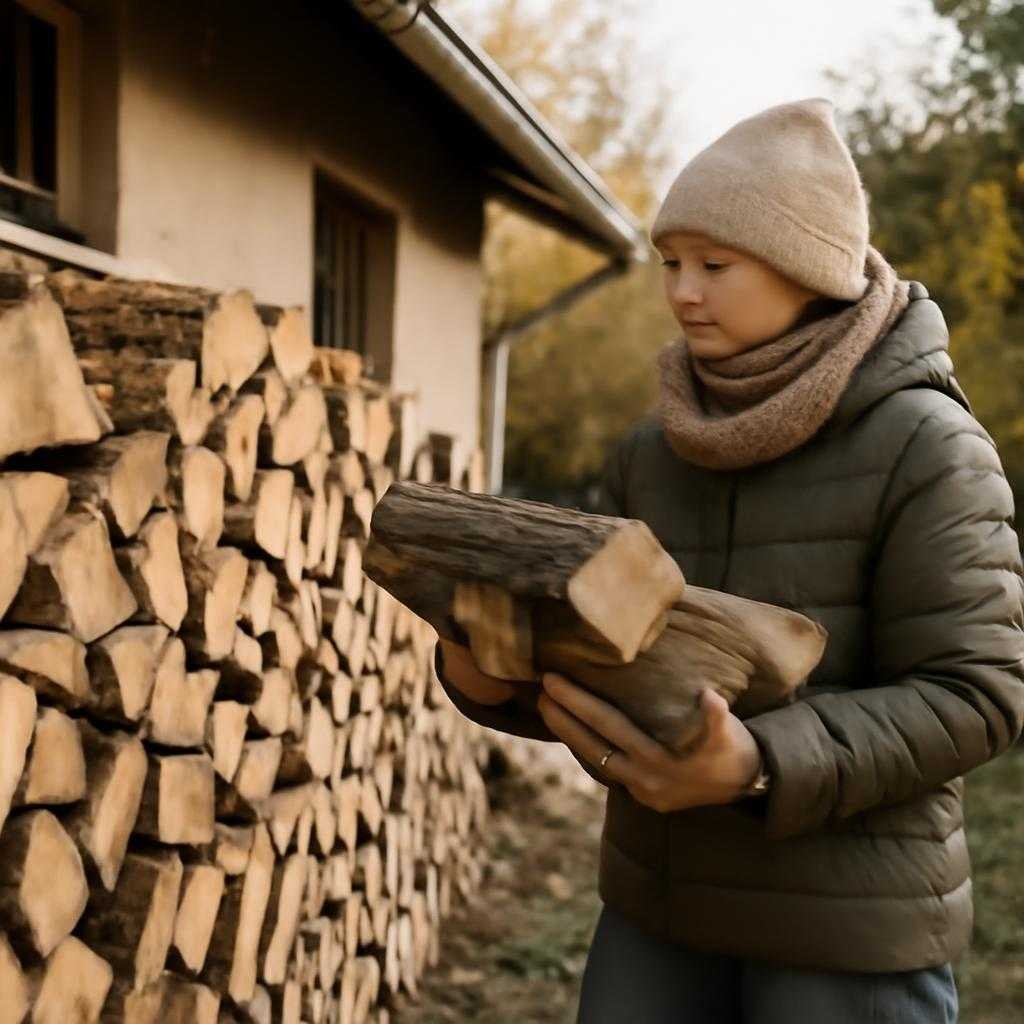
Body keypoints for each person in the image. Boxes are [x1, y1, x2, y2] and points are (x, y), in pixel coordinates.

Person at [434, 98, 1024, 1022]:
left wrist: (759, 763)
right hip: (657, 918)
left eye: (716, 264)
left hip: (846, 937)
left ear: (806, 268)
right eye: (672, 263)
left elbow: (979, 694)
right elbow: (607, 658)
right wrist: (491, 674)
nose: (682, 292)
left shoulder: (930, 446)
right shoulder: (650, 451)